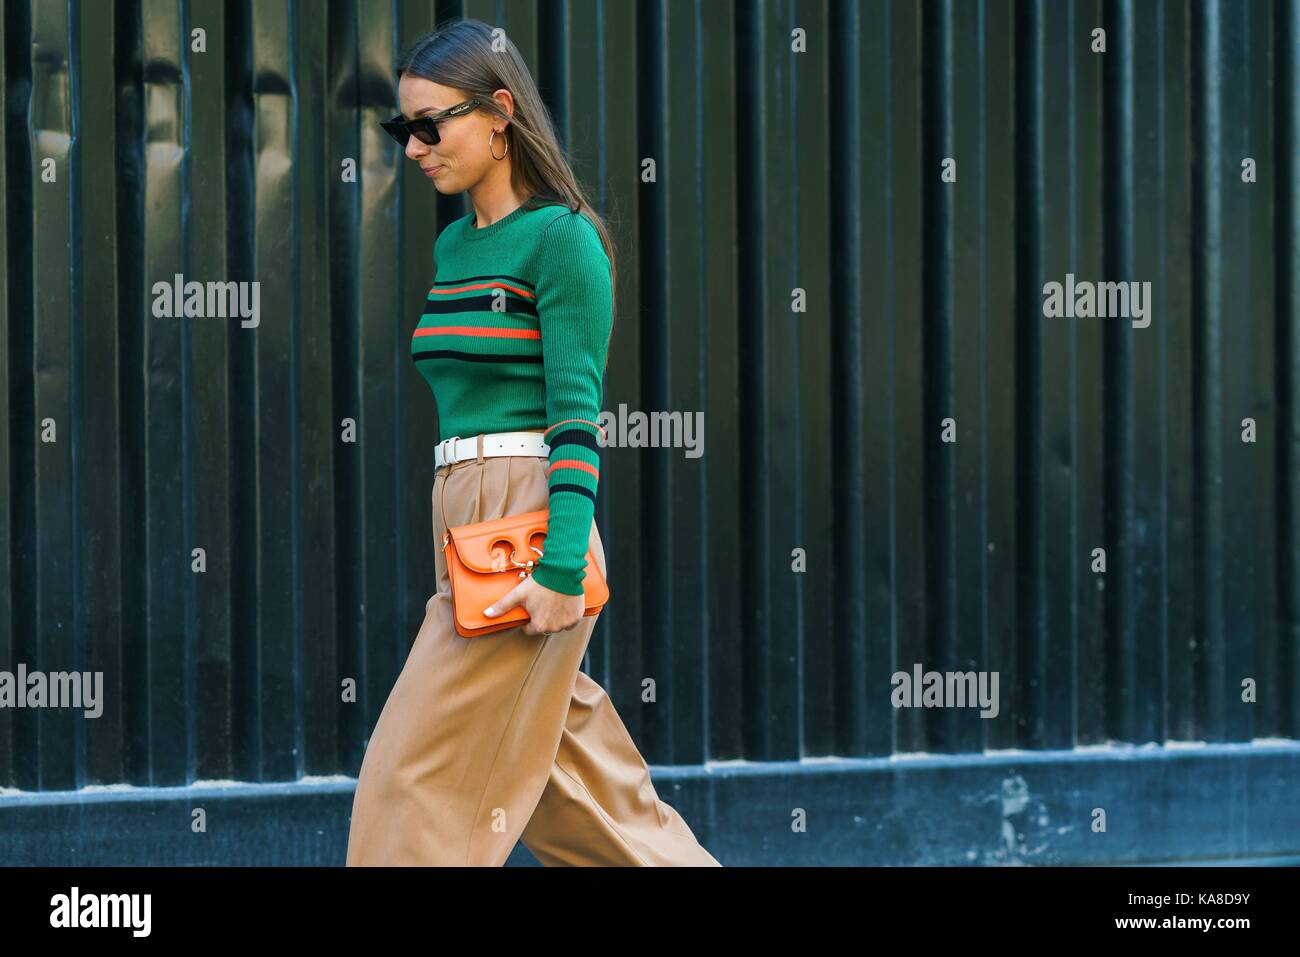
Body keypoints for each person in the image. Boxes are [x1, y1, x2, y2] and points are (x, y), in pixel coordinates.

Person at [345, 18, 721, 867]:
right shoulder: (455, 246)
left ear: (499, 113)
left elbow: (576, 414)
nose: (415, 148)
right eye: (402, 129)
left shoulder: (564, 239)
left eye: (430, 125)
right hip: (464, 520)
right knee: (577, 792)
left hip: (527, 519)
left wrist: (558, 569)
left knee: (406, 775)